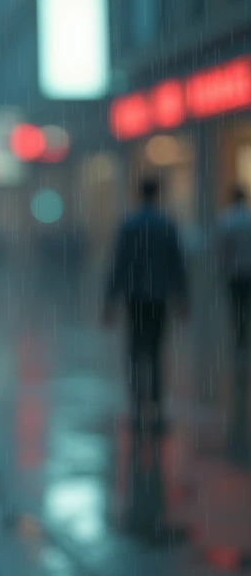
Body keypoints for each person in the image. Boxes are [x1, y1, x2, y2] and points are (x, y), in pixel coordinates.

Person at [102, 176, 190, 434]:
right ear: (158, 194)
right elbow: (176, 264)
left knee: (135, 352)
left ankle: (137, 410)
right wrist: (182, 297)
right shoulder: (166, 225)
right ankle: (158, 410)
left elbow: (119, 264)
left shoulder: (129, 226)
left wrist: (110, 301)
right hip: (159, 298)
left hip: (135, 298)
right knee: (155, 352)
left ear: (139, 193)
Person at [216, 185, 251, 364]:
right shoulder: (248, 218)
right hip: (248, 271)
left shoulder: (227, 219)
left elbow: (223, 248)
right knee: (246, 305)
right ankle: (243, 340)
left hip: (234, 271)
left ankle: (239, 340)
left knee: (236, 307)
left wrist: (223, 268)